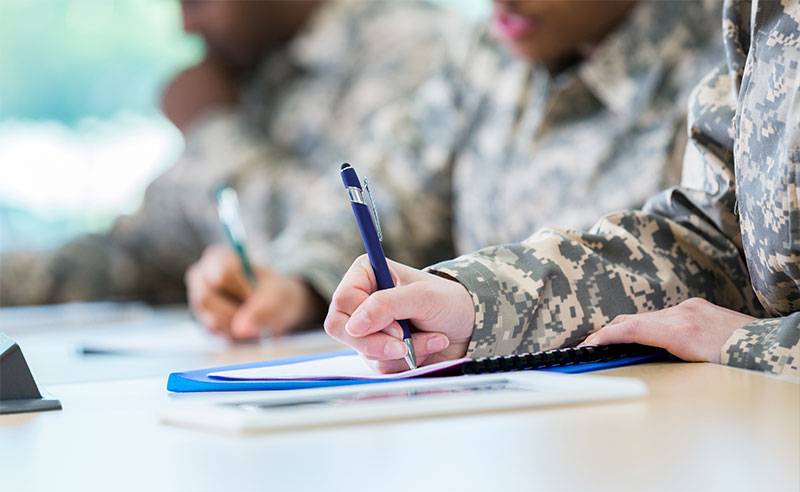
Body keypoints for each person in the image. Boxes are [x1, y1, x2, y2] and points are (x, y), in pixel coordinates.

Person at [185, 0, 724, 340]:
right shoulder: (487, 53)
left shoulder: (725, 57)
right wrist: (298, 281)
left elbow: (705, 267)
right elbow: (388, 195)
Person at [324, 0, 799, 377]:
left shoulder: (695, 54)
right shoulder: (755, 13)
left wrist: (753, 344)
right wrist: (476, 302)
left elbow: (725, 311)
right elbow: (714, 244)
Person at [0, 0, 455, 318]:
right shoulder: (254, 65)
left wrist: (212, 129)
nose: (185, 26)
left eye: (196, 0)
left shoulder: (411, 48)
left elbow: (356, 237)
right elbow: (140, 251)